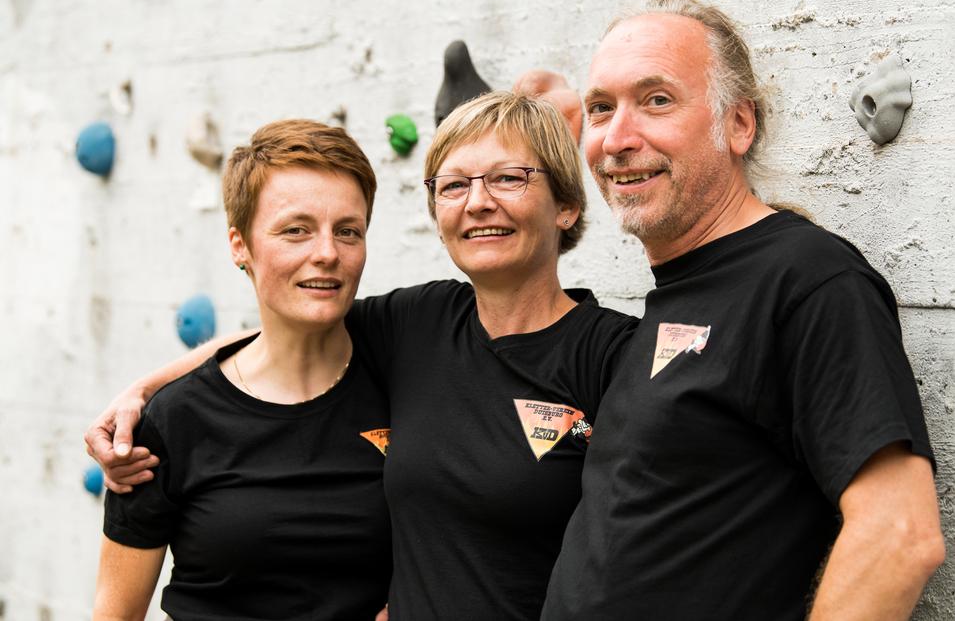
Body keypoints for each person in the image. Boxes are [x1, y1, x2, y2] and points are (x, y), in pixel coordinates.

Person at [86, 92, 639, 621]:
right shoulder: (420, 322)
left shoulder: (615, 355)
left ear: (567, 205)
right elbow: (285, 328)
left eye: (508, 179)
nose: (478, 202)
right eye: (454, 185)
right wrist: (142, 392)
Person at [541, 0, 944, 621]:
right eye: (599, 108)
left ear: (740, 124)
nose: (616, 138)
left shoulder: (807, 278)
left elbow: (900, 536)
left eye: (656, 100)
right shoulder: (675, 294)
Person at [92, 120, 391, 620]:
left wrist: (577, 431)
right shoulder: (173, 420)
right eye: (296, 230)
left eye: (348, 231)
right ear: (240, 245)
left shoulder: (407, 367)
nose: (326, 253)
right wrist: (146, 390)